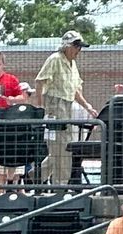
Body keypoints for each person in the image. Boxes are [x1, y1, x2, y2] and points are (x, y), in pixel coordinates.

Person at [36, 32, 93, 187]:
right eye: (76, 46)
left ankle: (34, 177)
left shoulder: (73, 64)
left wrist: (87, 106)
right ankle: (59, 186)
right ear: (66, 46)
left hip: (67, 107)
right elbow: (40, 82)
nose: (78, 50)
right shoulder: (55, 59)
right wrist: (41, 108)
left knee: (59, 151)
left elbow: (74, 90)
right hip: (55, 106)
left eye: (80, 47)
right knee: (62, 151)